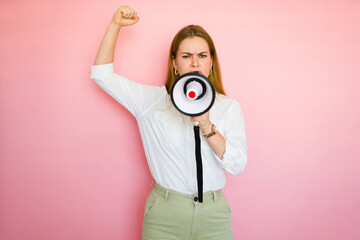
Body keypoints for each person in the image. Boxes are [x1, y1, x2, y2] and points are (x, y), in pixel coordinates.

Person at [90, 6, 247, 240]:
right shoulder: (151, 101)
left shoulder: (228, 107)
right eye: (186, 56)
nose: (195, 63)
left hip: (214, 217)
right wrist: (115, 25)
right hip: (165, 218)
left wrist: (207, 127)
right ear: (174, 62)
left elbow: (237, 165)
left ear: (211, 62)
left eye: (202, 56)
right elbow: (102, 75)